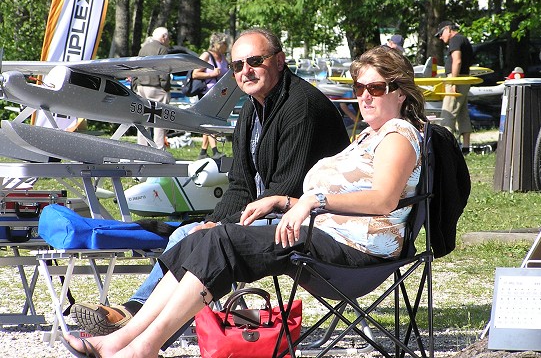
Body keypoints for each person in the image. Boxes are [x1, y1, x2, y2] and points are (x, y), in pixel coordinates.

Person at [61, 45, 426, 358]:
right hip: (323, 236)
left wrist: (311, 201)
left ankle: (142, 348)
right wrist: (283, 201)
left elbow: (383, 199)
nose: (364, 96)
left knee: (220, 241)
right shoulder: (370, 135)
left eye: (375, 87)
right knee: (202, 237)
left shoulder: (399, 134)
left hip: (352, 251)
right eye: (359, 86)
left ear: (401, 92)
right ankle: (124, 339)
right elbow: (246, 181)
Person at [70, 28, 350, 336]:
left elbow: (285, 188)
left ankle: (136, 325)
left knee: (202, 240)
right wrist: (214, 221)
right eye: (237, 65)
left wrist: (222, 227)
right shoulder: (252, 110)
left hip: (308, 222)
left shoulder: (301, 106)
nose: (246, 71)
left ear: (280, 61)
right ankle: (135, 317)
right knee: (189, 233)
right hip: (268, 215)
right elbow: (241, 184)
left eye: (255, 61)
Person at [436, 20, 473, 155]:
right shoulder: (464, 39)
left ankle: (444, 147)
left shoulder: (455, 40)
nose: (440, 37)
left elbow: (457, 60)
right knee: (462, 112)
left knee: (448, 112)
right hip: (463, 78)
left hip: (456, 78)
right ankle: (466, 147)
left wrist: (453, 82)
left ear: (448, 29)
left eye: (441, 33)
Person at [191, 32, 231, 159]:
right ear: (218, 44)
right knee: (209, 122)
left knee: (209, 121)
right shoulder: (206, 56)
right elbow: (195, 74)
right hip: (207, 94)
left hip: (220, 94)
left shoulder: (223, 57)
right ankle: (215, 151)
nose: (227, 46)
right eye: (225, 43)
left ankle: (203, 152)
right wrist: (212, 74)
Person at [135, 27, 172, 148]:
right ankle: (159, 148)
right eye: (168, 37)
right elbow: (164, 71)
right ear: (164, 37)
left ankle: (142, 147)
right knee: (159, 120)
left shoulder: (143, 48)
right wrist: (165, 88)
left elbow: (136, 67)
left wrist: (135, 85)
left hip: (141, 87)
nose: (169, 40)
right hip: (156, 88)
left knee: (142, 119)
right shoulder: (162, 49)